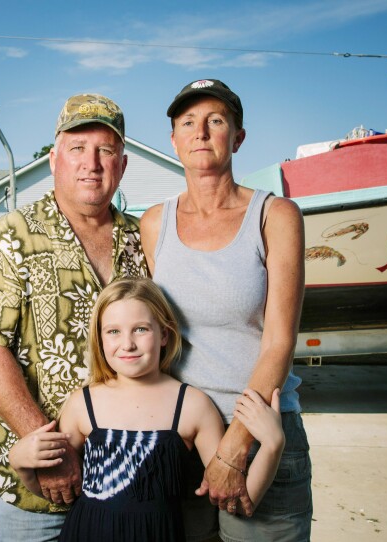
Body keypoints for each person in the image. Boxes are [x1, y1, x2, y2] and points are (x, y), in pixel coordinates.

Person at [0, 93, 149, 541]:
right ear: (53, 159)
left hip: (131, 481)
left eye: (106, 150)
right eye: (77, 149)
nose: (92, 163)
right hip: (42, 491)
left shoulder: (140, 240)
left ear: (122, 166)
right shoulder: (12, 235)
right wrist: (52, 453)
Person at [140, 79, 312, 541]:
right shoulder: (154, 225)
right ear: (174, 140)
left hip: (259, 433)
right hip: (180, 438)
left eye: (215, 121)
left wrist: (235, 448)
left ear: (237, 137)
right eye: (188, 123)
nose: (201, 132)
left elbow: (280, 341)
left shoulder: (276, 217)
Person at [9, 277, 285, 541]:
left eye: (140, 329)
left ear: (164, 335)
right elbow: (59, 492)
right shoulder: (83, 403)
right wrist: (21, 464)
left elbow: (238, 496)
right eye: (114, 331)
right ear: (100, 339)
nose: (127, 343)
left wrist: (273, 444)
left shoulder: (192, 406)